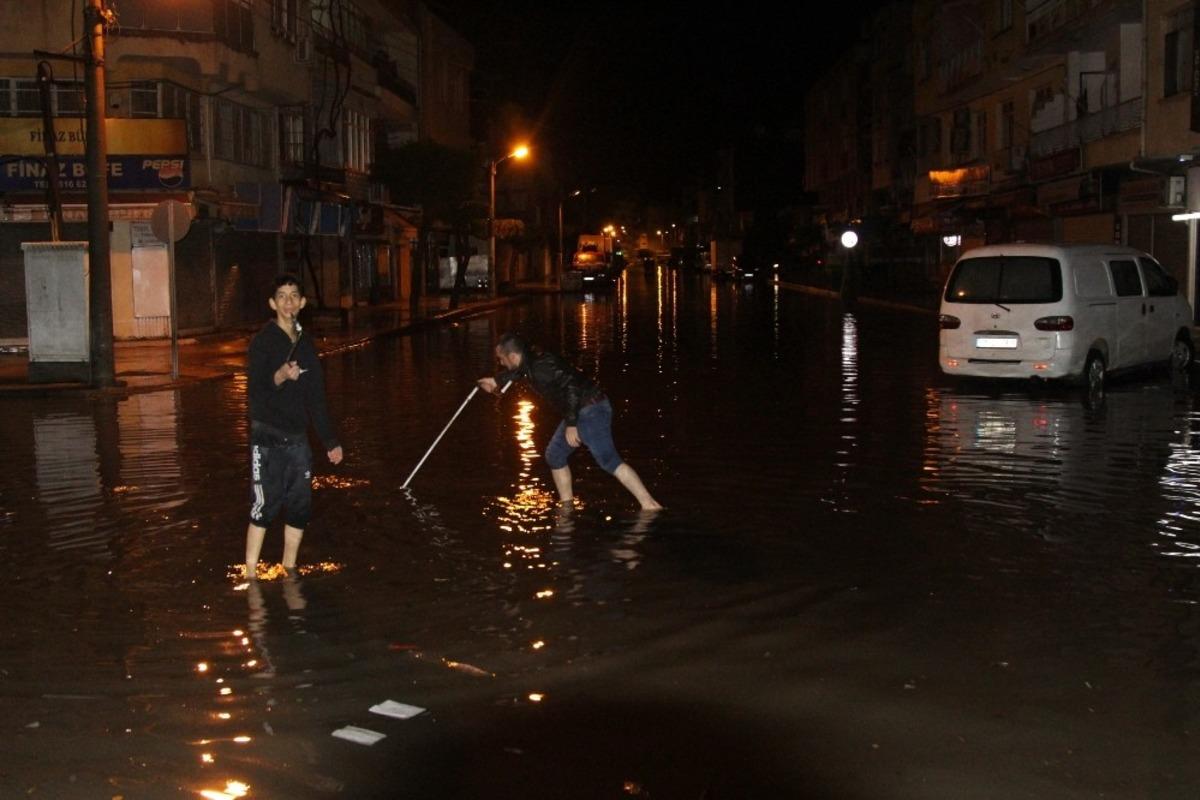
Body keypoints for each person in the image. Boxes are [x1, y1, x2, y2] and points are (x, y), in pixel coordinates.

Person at [478, 333, 662, 511]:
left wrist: (572, 424)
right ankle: (567, 507)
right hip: (581, 410)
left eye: (501, 359)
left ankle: (650, 505)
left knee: (608, 460)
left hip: (591, 410)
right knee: (555, 455)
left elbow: (572, 386)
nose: (501, 363)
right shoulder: (531, 359)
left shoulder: (540, 367)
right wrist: (497, 380)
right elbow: (520, 371)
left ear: (512, 356)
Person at [244, 274, 343, 578]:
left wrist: (330, 441)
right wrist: (281, 377)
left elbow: (316, 397)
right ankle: (249, 573)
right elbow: (256, 390)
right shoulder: (263, 342)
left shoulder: (306, 343)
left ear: (301, 303)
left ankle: (290, 569)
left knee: (300, 506)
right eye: (282, 296)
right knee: (265, 505)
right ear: (273, 304)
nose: (288, 301)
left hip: (298, 439)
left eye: (293, 296)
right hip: (268, 437)